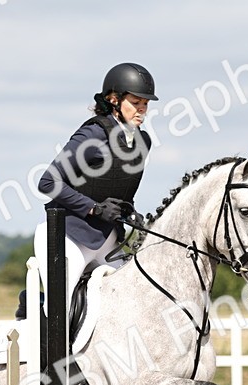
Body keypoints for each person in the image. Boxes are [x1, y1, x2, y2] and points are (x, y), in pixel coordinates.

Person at [27, 63, 157, 328]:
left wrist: (128, 211)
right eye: (136, 102)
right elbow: (48, 181)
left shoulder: (143, 142)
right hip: (68, 238)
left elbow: (115, 185)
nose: (142, 109)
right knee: (59, 315)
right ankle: (36, 351)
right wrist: (93, 209)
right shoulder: (93, 134)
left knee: (134, 302)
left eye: (145, 103)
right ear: (113, 100)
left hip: (108, 239)